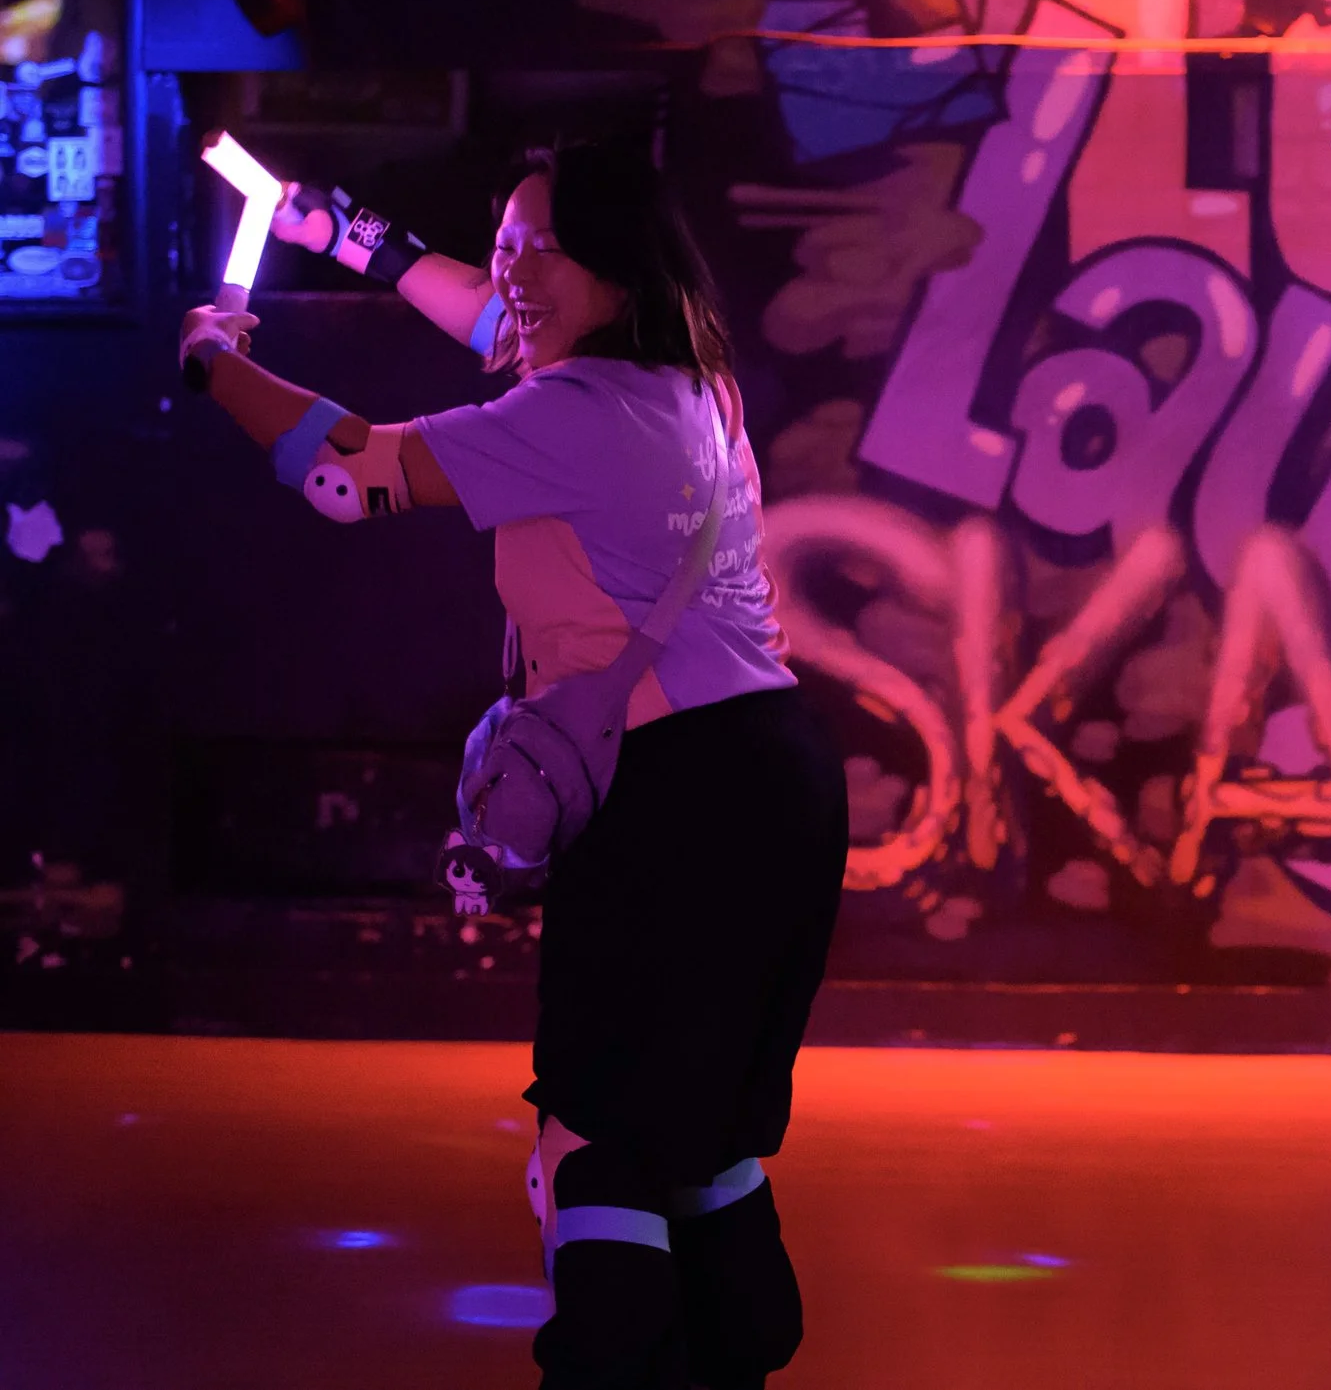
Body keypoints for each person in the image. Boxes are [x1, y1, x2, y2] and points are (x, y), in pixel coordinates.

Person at [179, 137, 847, 1390]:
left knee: (591, 1134)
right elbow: (493, 317)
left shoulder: (567, 415)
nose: (512, 268)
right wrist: (355, 241)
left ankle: (607, 1369)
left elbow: (348, 476)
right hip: (784, 784)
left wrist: (220, 365)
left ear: (615, 266)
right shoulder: (693, 380)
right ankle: (740, 1353)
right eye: (504, 240)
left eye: (544, 244)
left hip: (674, 802)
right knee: (700, 1124)